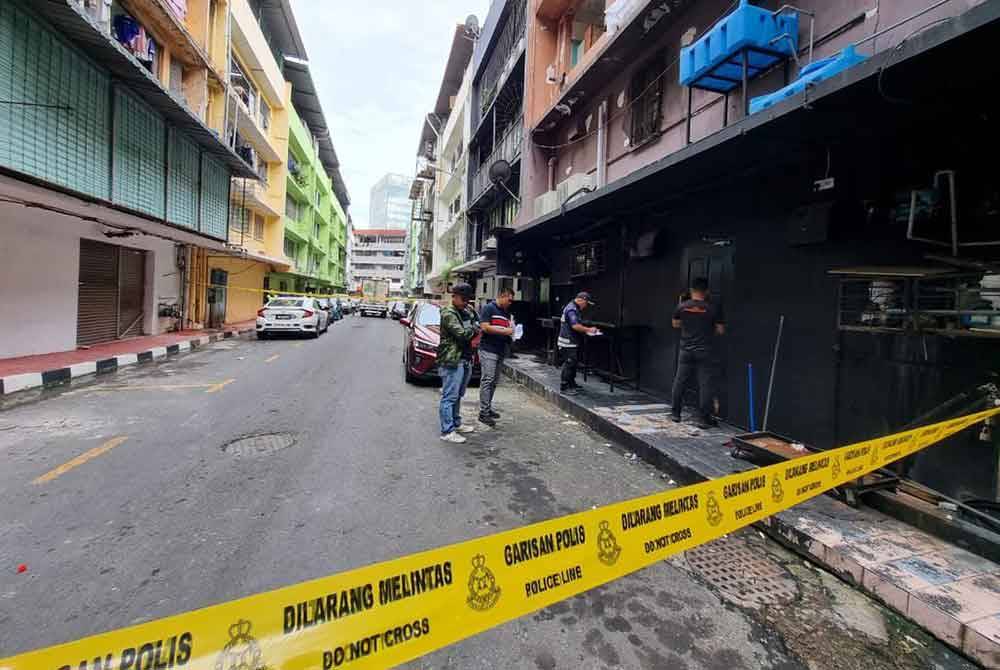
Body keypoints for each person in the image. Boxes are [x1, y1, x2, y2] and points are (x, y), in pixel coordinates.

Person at [670, 277, 725, 429]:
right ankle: (703, 419)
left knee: (680, 380)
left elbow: (675, 325)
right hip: (704, 351)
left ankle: (675, 414)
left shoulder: (682, 306)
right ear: (706, 291)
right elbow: (720, 330)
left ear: (691, 290)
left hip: (686, 350)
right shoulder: (712, 308)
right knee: (705, 384)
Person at [438, 283, 481, 443]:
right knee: (449, 396)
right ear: (454, 297)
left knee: (458, 395)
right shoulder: (448, 313)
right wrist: (475, 329)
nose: (465, 302)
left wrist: (474, 321)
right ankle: (447, 431)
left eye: (467, 300)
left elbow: (478, 321)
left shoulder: (466, 310)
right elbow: (462, 334)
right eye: (462, 299)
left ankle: (456, 423)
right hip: (452, 360)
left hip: (465, 358)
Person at [477, 287, 515, 428]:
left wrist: (511, 333)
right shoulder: (489, 308)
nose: (510, 303)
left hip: (500, 350)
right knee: (488, 379)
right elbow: (485, 327)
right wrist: (506, 331)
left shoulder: (506, 312)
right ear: (502, 296)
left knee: (493, 381)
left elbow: (507, 328)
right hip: (488, 349)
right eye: (509, 299)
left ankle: (488, 408)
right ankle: (483, 413)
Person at [558, 292, 598, 395]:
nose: (586, 306)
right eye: (586, 304)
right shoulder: (572, 309)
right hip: (567, 342)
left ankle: (571, 383)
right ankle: (564, 387)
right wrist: (589, 330)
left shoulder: (573, 307)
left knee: (573, 363)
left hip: (572, 341)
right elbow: (575, 326)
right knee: (569, 363)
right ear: (582, 300)